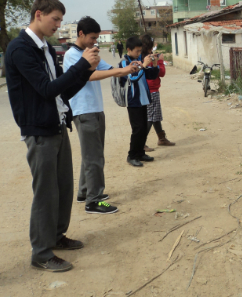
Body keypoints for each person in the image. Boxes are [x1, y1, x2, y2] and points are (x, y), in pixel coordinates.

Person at [5, 0, 100, 273]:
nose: (59, 24)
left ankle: (56, 237)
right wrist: (82, 65)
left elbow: (61, 90)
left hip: (57, 124)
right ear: (38, 15)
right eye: (55, 19)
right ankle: (41, 253)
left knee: (63, 188)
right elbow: (46, 90)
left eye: (60, 19)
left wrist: (85, 71)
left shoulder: (46, 47)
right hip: (39, 131)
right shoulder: (21, 49)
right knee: (45, 193)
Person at [63, 17, 139, 215]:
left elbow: (110, 70)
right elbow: (89, 75)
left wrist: (129, 68)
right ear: (81, 34)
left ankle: (84, 191)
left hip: (95, 109)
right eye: (92, 38)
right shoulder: (72, 55)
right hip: (83, 110)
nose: (94, 42)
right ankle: (94, 201)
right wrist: (122, 70)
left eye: (97, 38)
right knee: (94, 157)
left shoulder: (92, 53)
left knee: (91, 155)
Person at [119, 36, 159, 167]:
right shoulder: (125, 63)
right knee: (137, 128)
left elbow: (152, 76)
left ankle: (140, 152)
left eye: (140, 51)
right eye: (137, 51)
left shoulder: (140, 61)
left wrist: (153, 64)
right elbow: (132, 78)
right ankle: (132, 155)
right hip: (133, 101)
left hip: (143, 99)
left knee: (143, 128)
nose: (139, 53)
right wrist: (144, 66)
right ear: (129, 49)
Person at [142, 35, 175, 149]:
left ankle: (161, 138)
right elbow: (161, 73)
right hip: (151, 90)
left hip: (149, 90)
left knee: (155, 116)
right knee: (151, 117)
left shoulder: (143, 58)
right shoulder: (148, 59)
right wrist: (160, 61)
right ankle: (141, 142)